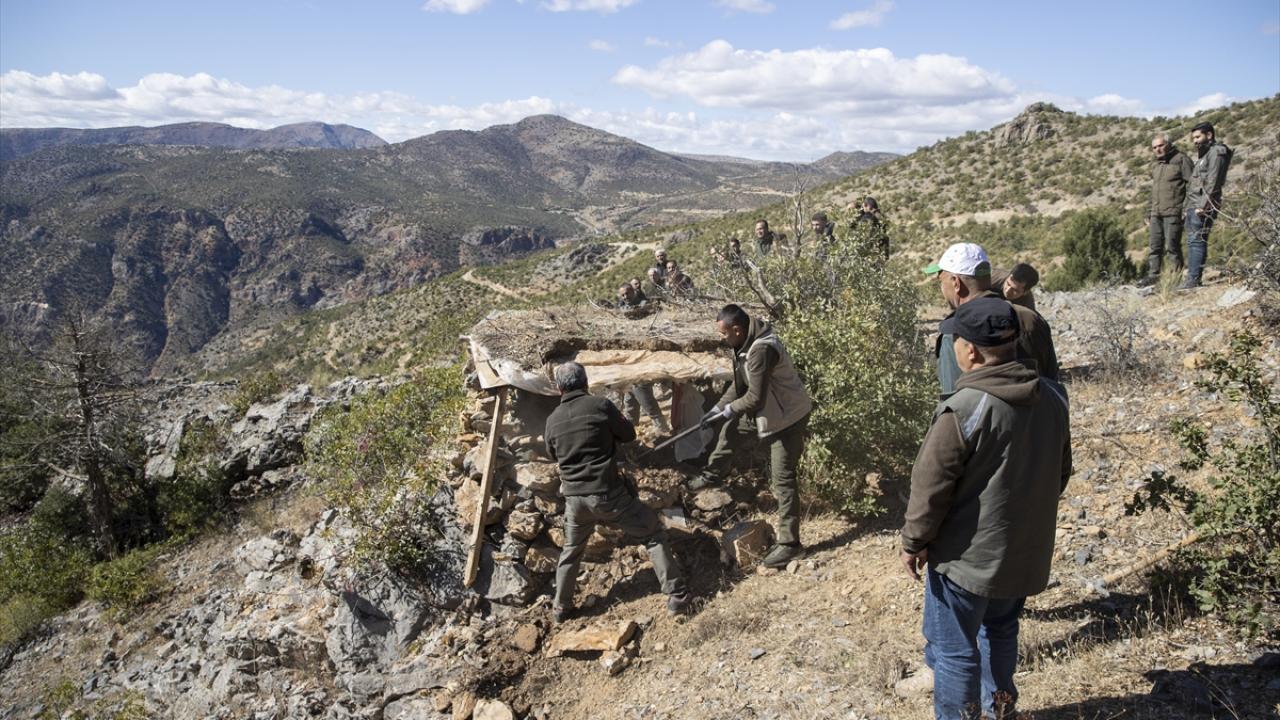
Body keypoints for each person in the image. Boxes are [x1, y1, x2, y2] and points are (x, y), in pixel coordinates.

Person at [899, 296, 1071, 719]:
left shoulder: (964, 409)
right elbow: (1060, 473)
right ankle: (1000, 712)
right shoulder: (1052, 396)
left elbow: (930, 486)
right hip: (1023, 552)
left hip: (965, 560)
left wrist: (914, 541)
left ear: (970, 351)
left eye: (954, 341)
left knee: (956, 652)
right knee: (1002, 631)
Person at [544, 362, 691, 621]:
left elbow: (552, 453)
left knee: (571, 551)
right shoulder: (600, 405)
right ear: (586, 382)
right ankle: (677, 595)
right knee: (653, 533)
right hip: (607, 494)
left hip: (575, 500)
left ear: (559, 388)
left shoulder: (552, 419)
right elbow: (628, 434)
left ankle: (560, 608)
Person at [689, 304, 813, 569]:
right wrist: (717, 409)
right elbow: (740, 384)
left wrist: (727, 411)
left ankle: (791, 545)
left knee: (782, 479)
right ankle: (712, 474)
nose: (721, 338)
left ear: (737, 329)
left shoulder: (761, 349)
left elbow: (755, 397)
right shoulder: (744, 343)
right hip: (769, 409)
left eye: (723, 333)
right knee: (730, 429)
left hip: (787, 417)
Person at [925, 243, 1059, 394]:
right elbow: (1052, 383)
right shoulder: (1032, 319)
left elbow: (953, 400)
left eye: (941, 280)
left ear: (956, 283)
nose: (942, 288)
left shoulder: (955, 332)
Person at [1181, 121, 1233, 289]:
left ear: (1209, 135)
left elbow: (1214, 181)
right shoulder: (1205, 154)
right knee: (1192, 241)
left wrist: (1203, 205)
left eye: (1198, 136)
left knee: (1197, 241)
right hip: (1193, 205)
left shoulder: (1217, 153)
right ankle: (1192, 278)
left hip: (1203, 206)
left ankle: (1193, 280)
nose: (1195, 141)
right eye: (1193, 138)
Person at [1140, 133, 1195, 285]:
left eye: (1161, 145)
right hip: (1156, 213)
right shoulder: (1157, 165)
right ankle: (1153, 276)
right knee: (1154, 246)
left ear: (1169, 144)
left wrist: (1186, 208)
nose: (1158, 149)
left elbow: (1194, 185)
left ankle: (1176, 278)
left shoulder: (1181, 160)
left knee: (1172, 246)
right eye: (1154, 147)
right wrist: (1149, 211)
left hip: (1174, 212)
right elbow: (1155, 191)